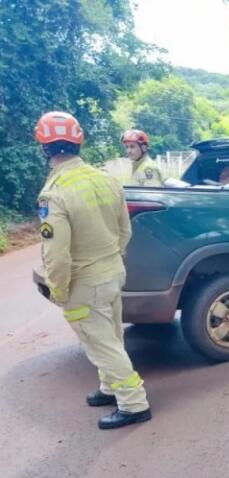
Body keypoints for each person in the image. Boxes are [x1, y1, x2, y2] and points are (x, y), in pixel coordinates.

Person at [35, 111, 152, 430]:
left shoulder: (54, 193)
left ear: (44, 148)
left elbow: (56, 255)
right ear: (79, 142)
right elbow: (125, 230)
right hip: (113, 272)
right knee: (111, 334)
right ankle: (110, 388)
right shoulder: (106, 179)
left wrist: (58, 291)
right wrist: (114, 259)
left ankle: (133, 403)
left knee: (102, 344)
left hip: (85, 284)